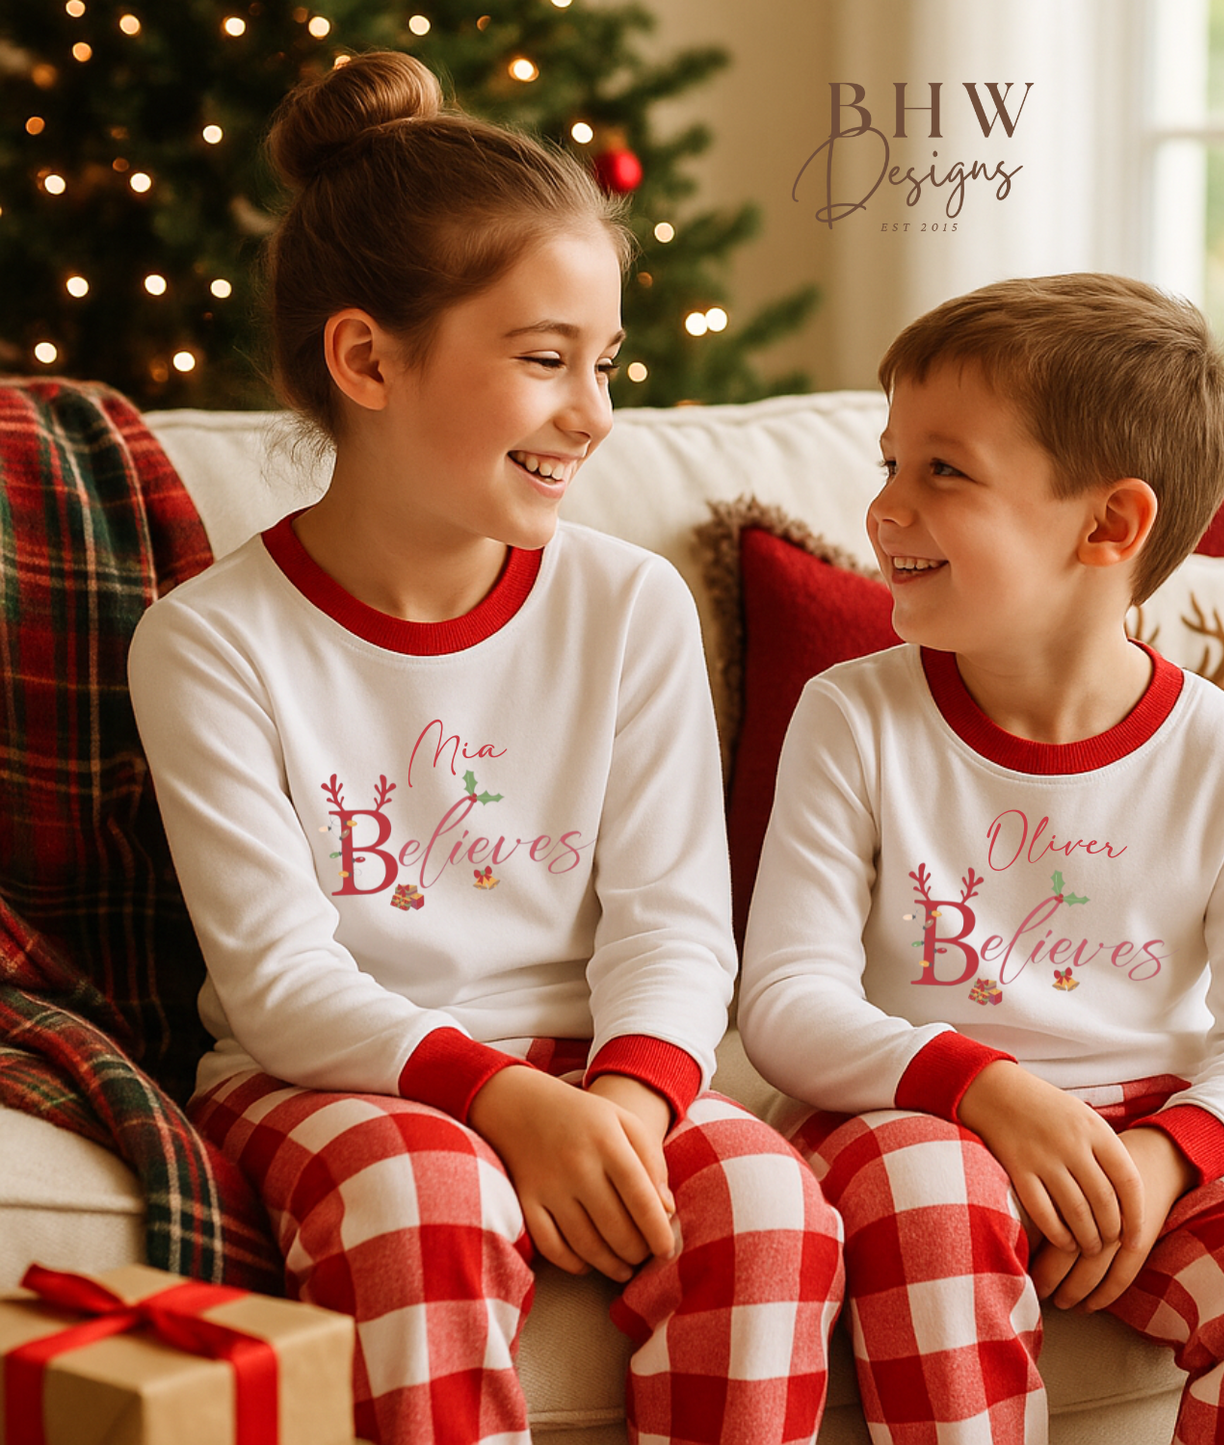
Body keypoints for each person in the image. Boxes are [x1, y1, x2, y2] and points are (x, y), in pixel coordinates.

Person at [129, 51, 842, 1445]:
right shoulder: (208, 641)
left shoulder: (628, 605)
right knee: (421, 1201)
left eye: (603, 363)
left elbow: (675, 922)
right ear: (366, 359)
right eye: (543, 359)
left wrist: (628, 1096)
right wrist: (501, 1098)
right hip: (334, 1076)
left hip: (604, 1063)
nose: (595, 412)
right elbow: (279, 981)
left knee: (767, 1205)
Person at [738, 274, 1224, 1445]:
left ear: (1107, 526)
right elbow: (784, 1003)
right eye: (888, 462)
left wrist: (1165, 1157)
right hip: (909, 1109)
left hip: (1135, 1131)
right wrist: (986, 1088)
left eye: (941, 470)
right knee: (932, 1203)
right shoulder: (852, 715)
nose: (883, 507)